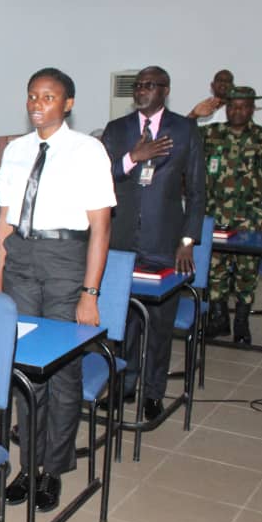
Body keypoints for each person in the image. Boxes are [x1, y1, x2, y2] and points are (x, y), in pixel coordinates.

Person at [0, 68, 114, 512]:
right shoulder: (17, 151)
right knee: (23, 367)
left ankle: (53, 470)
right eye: (32, 96)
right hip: (22, 257)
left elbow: (101, 228)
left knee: (62, 373)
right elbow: (5, 219)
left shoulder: (88, 150)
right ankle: (29, 464)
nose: (38, 104)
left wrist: (90, 292)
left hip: (66, 261)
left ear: (68, 103)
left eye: (49, 96)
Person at [100, 66, 204, 422]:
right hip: (122, 240)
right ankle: (124, 386)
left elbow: (197, 191)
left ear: (165, 90)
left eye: (150, 85)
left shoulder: (186, 130)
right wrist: (133, 159)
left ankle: (154, 393)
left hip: (165, 242)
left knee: (160, 324)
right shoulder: (117, 130)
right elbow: (100, 179)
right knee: (122, 319)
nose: (142, 90)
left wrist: (188, 240)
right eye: (138, 85)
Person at [201, 86, 262, 344]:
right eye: (233, 106)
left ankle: (242, 322)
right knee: (215, 270)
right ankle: (219, 318)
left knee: (247, 271)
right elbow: (180, 139)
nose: (237, 111)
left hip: (249, 217)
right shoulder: (210, 134)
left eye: (243, 106)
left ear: (252, 109)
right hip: (214, 214)